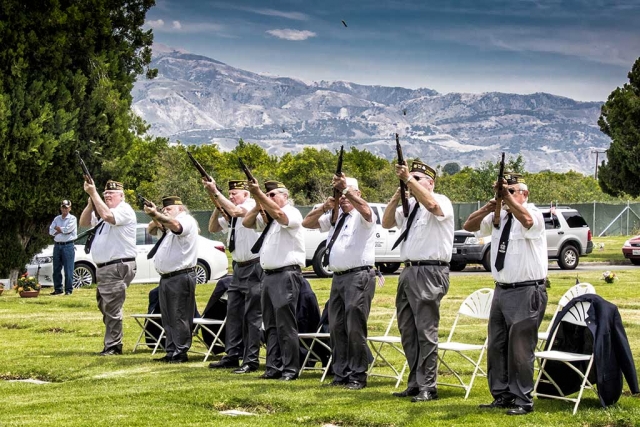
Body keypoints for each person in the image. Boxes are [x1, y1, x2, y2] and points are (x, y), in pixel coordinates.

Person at [463, 172, 548, 415]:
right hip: (501, 289)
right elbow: (469, 226)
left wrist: (507, 200)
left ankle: (523, 399)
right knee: (497, 345)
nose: (505, 195)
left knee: (520, 349)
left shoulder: (532, 212)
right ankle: (502, 395)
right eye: (503, 190)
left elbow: (528, 222)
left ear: (525, 194)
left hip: (526, 289)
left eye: (511, 191)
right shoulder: (498, 214)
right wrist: (491, 205)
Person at [381, 160, 454, 403]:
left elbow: (432, 205)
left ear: (430, 182)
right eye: (409, 178)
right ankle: (414, 382)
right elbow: (387, 222)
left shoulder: (440, 199)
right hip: (408, 270)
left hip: (430, 271)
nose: (412, 182)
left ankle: (428, 386)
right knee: (408, 331)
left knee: (426, 330)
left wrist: (408, 180)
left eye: (417, 179)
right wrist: (397, 194)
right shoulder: (410, 205)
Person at [302, 175, 377, 390]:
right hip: (339, 277)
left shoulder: (361, 215)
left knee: (355, 327)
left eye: (347, 194)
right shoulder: (336, 216)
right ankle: (340, 372)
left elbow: (365, 211)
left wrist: (346, 191)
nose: (343, 198)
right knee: (336, 326)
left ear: (357, 193)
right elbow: (307, 222)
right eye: (340, 194)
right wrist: (326, 206)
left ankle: (358, 374)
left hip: (358, 275)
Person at [243, 180, 305, 381]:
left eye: (273, 195)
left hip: (286, 274)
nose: (269, 198)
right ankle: (273, 366)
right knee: (269, 324)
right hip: (269, 275)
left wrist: (259, 194)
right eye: (267, 195)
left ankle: (290, 369)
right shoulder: (268, 218)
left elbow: (281, 215)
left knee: (285, 324)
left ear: (285, 196)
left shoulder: (292, 212)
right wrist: (258, 202)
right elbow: (246, 222)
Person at [204, 179, 263, 374]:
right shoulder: (229, 209)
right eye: (229, 193)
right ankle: (232, 354)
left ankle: (251, 359)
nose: (231, 197)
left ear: (245, 194)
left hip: (255, 265)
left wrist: (217, 194)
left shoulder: (250, 206)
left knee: (253, 316)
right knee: (234, 313)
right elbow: (212, 228)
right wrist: (216, 204)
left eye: (234, 193)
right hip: (238, 266)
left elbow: (237, 211)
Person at [79, 179, 137, 356]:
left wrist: (94, 193)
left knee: (111, 307)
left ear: (121, 195)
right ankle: (112, 342)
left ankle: (113, 346)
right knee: (105, 306)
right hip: (105, 268)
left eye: (111, 194)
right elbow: (83, 222)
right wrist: (91, 203)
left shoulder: (124, 210)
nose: (108, 197)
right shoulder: (105, 211)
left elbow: (108, 217)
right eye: (105, 195)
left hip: (116, 265)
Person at [145, 196, 198, 363]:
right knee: (168, 316)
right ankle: (171, 349)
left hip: (181, 275)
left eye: (169, 209)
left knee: (180, 315)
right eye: (164, 209)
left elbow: (176, 226)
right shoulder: (168, 225)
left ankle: (181, 351)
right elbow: (151, 229)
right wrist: (155, 215)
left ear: (180, 209)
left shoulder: (186, 220)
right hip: (167, 277)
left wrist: (157, 214)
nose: (165, 212)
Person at [49, 199, 78, 295]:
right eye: (63, 207)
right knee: (56, 268)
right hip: (57, 246)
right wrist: (61, 230)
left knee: (68, 269)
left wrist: (59, 229)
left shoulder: (72, 218)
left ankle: (68, 290)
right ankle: (58, 289)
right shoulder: (57, 219)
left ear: (70, 208)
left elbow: (68, 230)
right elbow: (51, 231)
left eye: (66, 208)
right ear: (61, 208)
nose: (64, 210)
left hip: (68, 245)